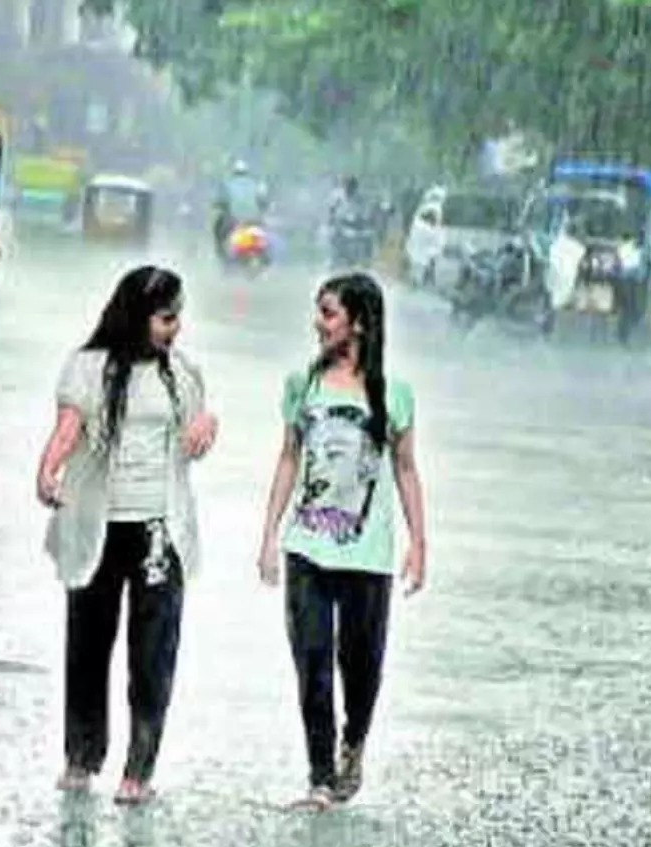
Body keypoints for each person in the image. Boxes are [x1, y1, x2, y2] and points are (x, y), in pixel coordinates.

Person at [36, 266, 220, 806]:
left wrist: (206, 431)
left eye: (178, 317)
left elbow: (196, 428)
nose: (175, 328)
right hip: (98, 525)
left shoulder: (181, 373)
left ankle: (139, 769)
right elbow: (68, 429)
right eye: (166, 318)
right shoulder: (89, 368)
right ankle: (81, 755)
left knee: (153, 653)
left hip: (159, 530)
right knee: (88, 646)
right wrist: (46, 471)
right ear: (138, 315)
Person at [256, 272, 427, 812]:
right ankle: (321, 778)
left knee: (361, 663)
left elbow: (405, 469)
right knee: (311, 660)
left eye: (328, 313)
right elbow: (288, 458)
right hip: (306, 546)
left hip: (367, 554)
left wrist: (419, 543)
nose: (317, 323)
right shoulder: (300, 385)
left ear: (358, 321)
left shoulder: (394, 395)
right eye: (318, 311)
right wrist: (268, 535)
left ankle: (355, 741)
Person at [212, 159, 268, 254]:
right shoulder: (255, 184)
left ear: (234, 172)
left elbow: (221, 200)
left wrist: (218, 205)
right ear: (247, 172)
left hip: (233, 220)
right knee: (265, 233)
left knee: (218, 229)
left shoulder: (227, 184)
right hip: (254, 221)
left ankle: (221, 251)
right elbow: (263, 201)